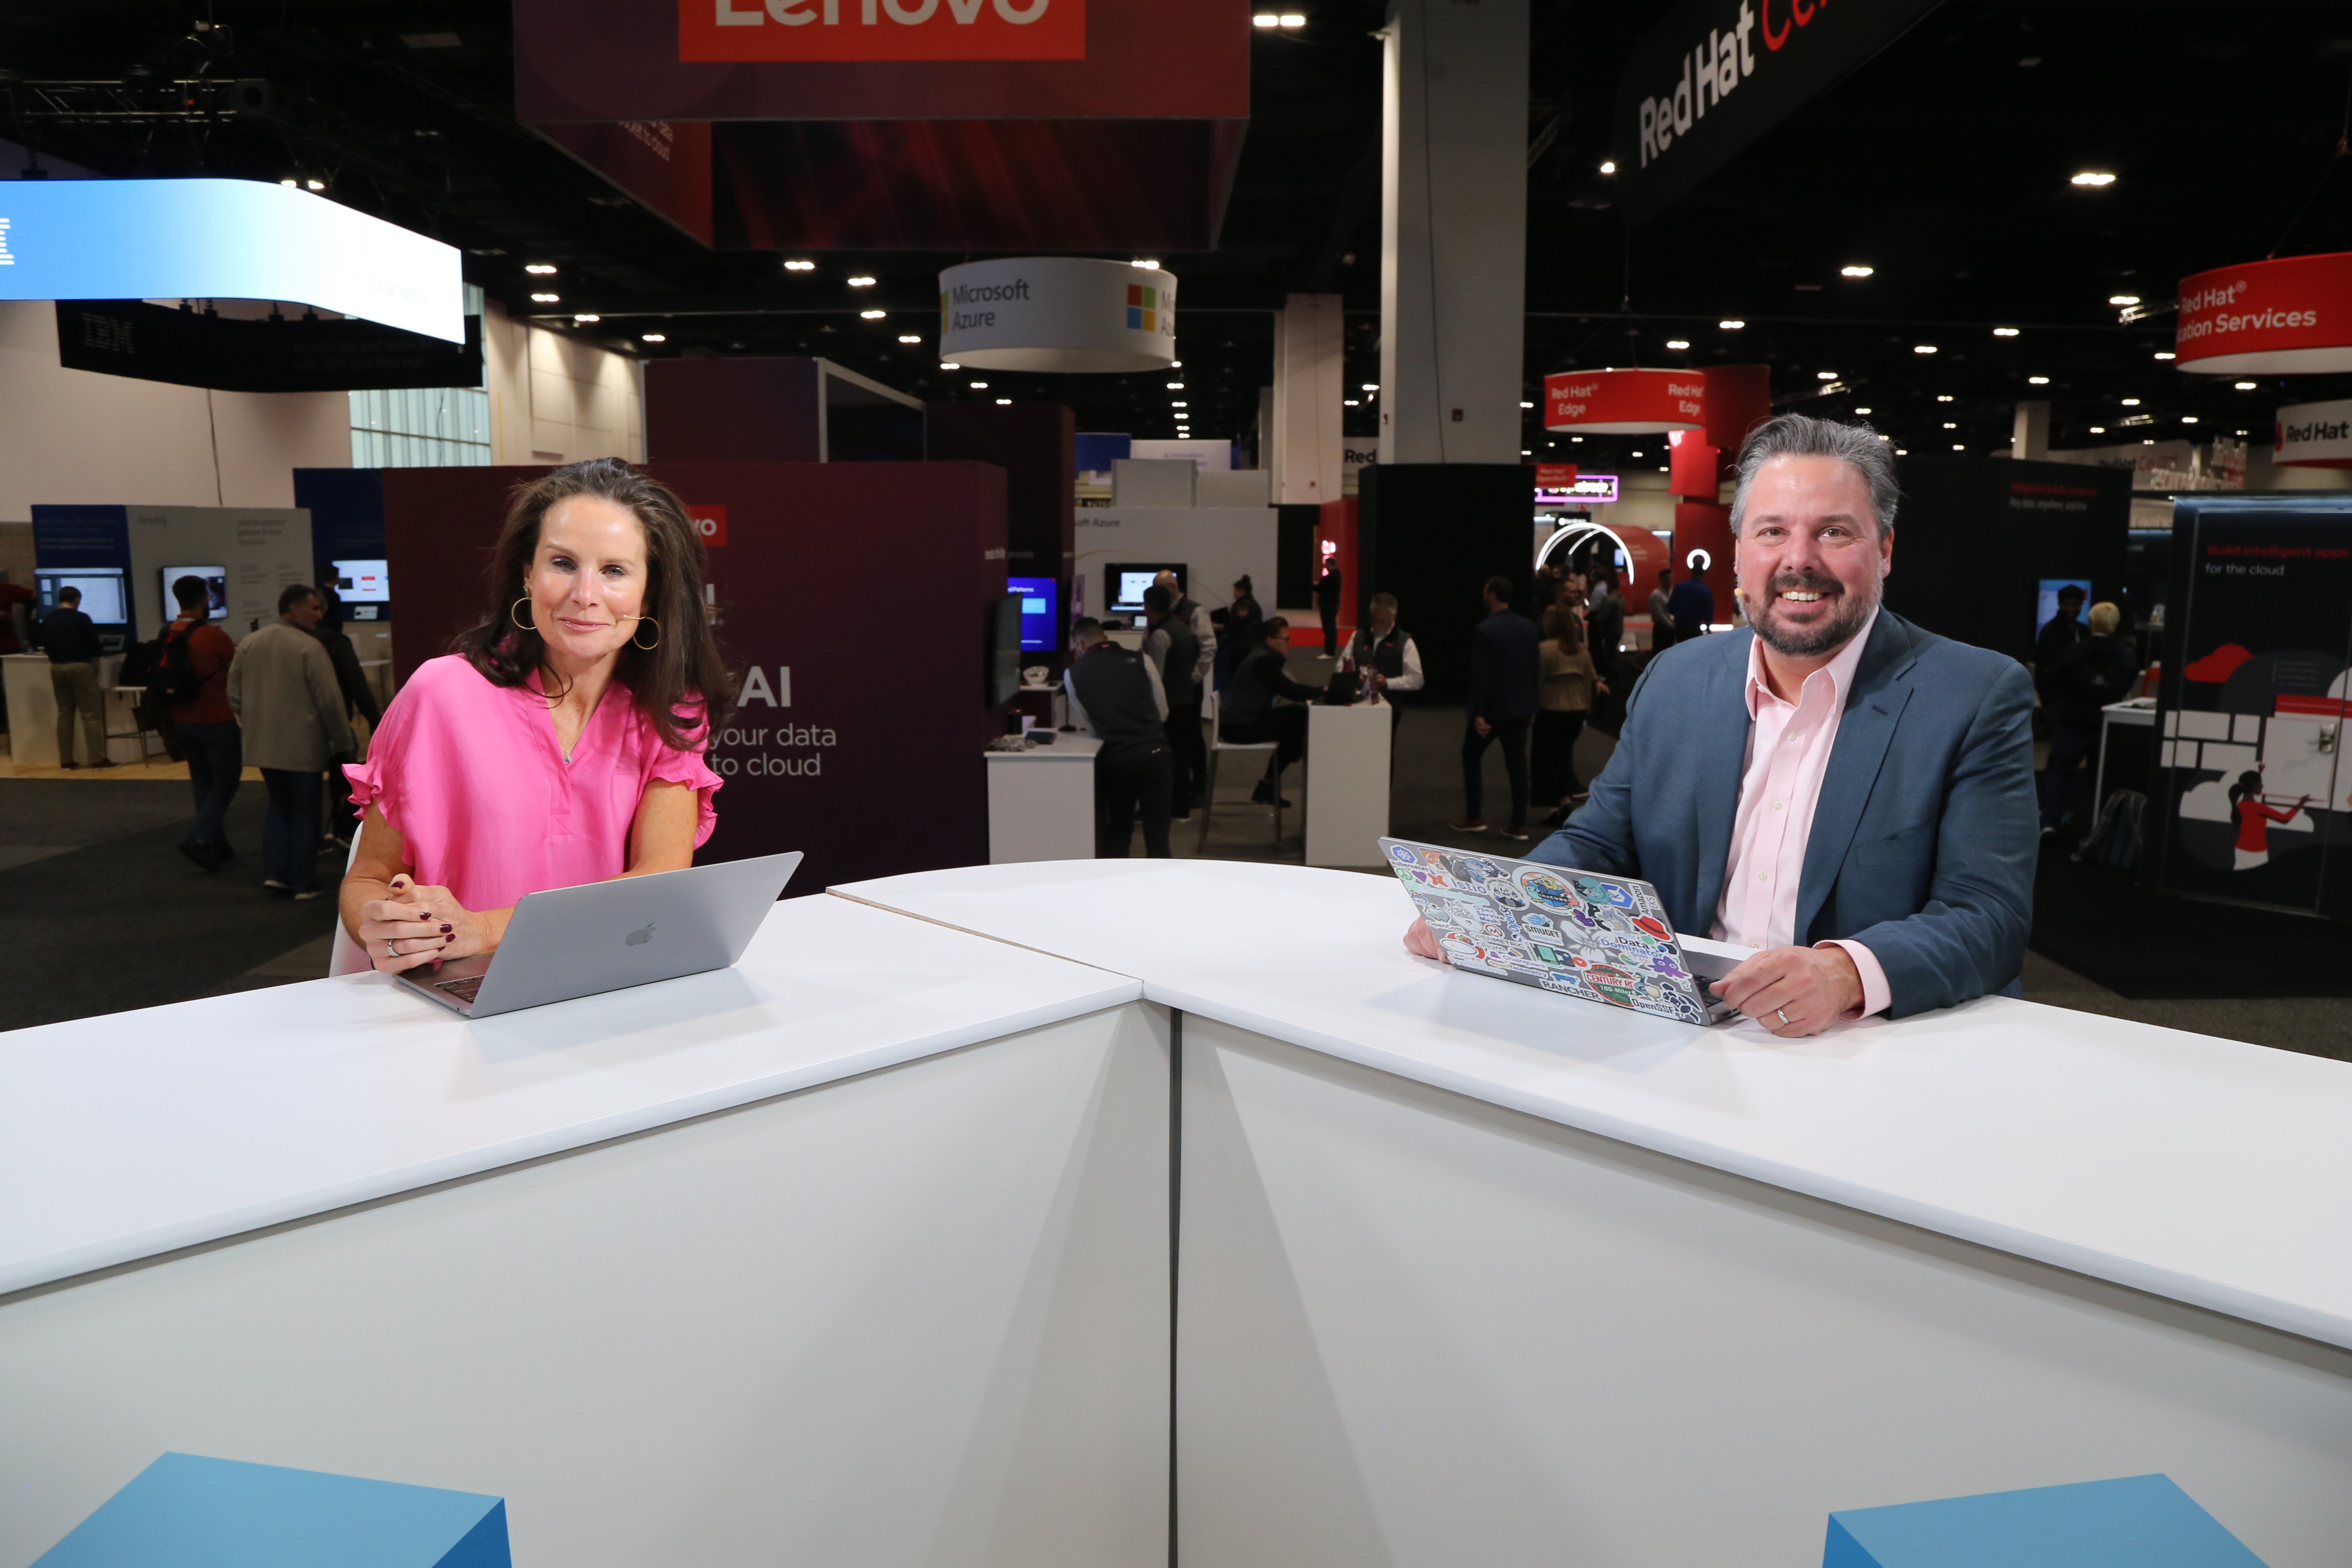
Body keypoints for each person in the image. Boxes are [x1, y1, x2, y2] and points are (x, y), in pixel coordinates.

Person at [1404, 413, 2038, 1035]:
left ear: (1886, 551)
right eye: (1772, 532)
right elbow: (1600, 841)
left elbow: (1988, 915)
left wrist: (1845, 973)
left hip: (1867, 1046)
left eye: (1835, 533)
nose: (1799, 560)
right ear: (1738, 554)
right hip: (1682, 1034)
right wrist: (1496, 906)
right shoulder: (1675, 680)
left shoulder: (1973, 695)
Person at [341, 457, 729, 976]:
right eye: (563, 563)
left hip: (606, 985)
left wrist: (483, 927)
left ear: (650, 592)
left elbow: (656, 881)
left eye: (614, 570)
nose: (584, 595)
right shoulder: (438, 693)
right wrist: (384, 922)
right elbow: (367, 880)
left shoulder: (672, 706)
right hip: (457, 993)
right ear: (528, 574)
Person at [229, 585, 355, 899]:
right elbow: (330, 701)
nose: (319, 614)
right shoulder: (309, 648)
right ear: (294, 609)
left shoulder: (249, 643)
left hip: (264, 746)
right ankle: (302, 881)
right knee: (304, 812)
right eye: (314, 608)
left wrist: (253, 726)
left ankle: (276, 873)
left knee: (278, 807)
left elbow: (234, 693)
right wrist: (344, 742)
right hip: (303, 746)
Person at [1066, 617, 1174, 857]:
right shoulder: (1142, 660)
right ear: (1105, 638)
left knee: (1119, 830)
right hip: (1155, 755)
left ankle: (1117, 888)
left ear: (1080, 646)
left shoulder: (1072, 674)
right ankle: (1165, 888)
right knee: (1157, 834)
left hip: (1117, 761)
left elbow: (1090, 725)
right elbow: (1163, 711)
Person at [2037, 600, 2140, 835]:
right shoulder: (2125, 655)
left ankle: (2049, 821)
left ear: (2092, 622)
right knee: (2102, 777)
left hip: (2074, 721)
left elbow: (2058, 679)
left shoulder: (2076, 650)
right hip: (2107, 724)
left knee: (2059, 770)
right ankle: (2102, 827)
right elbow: (2130, 679)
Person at [163, 575, 241, 871]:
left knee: (202, 782)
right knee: (226, 782)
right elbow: (235, 670)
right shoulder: (213, 635)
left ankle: (215, 843)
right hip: (217, 719)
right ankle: (200, 837)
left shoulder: (167, 632)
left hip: (182, 719)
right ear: (204, 599)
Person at [1456, 574, 1539, 840]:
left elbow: (1483, 674)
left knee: (1471, 755)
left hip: (1492, 710)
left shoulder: (1484, 630)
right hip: (1520, 708)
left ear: (1491, 595)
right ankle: (1519, 823)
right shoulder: (1528, 628)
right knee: (1517, 764)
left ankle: (1475, 815)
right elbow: (1534, 669)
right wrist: (1533, 706)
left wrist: (1477, 713)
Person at [1222, 615, 1322, 806]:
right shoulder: (1264, 661)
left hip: (1238, 721)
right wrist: (1322, 691)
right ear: (1271, 640)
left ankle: (1269, 783)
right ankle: (1281, 767)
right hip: (1238, 726)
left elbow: (1289, 689)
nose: (1290, 644)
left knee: (1295, 718)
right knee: (1297, 717)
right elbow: (1291, 690)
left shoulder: (1261, 656)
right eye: (1286, 639)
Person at [311, 587, 383, 851]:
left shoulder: (293, 642)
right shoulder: (333, 643)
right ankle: (338, 830)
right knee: (341, 780)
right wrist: (375, 719)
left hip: (297, 727)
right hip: (332, 722)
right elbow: (356, 685)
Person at [1533, 603, 1605, 827]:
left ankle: (1557, 805)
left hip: (1551, 709)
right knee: (1563, 756)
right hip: (1576, 711)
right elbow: (1591, 680)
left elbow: (1535, 681)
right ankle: (1565, 800)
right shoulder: (1581, 650)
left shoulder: (1544, 649)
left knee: (1548, 758)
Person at [1154, 569, 1216, 810]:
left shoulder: (1195, 611)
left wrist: (1194, 678)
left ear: (1171, 588)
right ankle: (1176, 787)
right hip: (1168, 688)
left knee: (1192, 736)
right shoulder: (1161, 612)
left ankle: (1199, 787)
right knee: (1174, 737)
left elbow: (1209, 647)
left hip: (1188, 687)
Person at [1141, 585, 1203, 822]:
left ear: (1149, 607)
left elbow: (1155, 676)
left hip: (1169, 706)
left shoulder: (1160, 635)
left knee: (1168, 759)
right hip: (1185, 700)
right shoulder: (1182, 629)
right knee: (1181, 755)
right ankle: (1181, 807)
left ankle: (1172, 808)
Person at [40, 585, 111, 770]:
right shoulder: (82, 618)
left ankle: (66, 761)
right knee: (90, 715)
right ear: (77, 600)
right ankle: (97, 759)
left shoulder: (48, 619)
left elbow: (45, 645)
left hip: (57, 668)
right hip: (81, 667)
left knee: (65, 714)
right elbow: (96, 647)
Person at [1339, 591, 1424, 741]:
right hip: (1357, 705)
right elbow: (1341, 666)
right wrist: (1354, 677)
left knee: (1383, 754)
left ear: (1394, 617)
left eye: (1383, 621)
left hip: (1389, 708)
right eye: (1375, 620)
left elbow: (1417, 680)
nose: (1378, 625)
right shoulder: (1358, 636)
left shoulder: (1406, 643)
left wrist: (1387, 682)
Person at [2227, 771, 2306, 872]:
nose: (2263, 786)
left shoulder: (2240, 805)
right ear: (2254, 786)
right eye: (2260, 783)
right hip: (2256, 852)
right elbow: (2284, 819)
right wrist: (2301, 803)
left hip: (2241, 849)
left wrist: (2259, 772)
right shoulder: (2258, 808)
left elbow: (2250, 785)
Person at [2034, 585, 2089, 697]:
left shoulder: (2085, 630)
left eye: (2075, 605)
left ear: (2081, 606)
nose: (2071, 609)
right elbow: (2043, 671)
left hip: (2081, 697)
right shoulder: (2049, 631)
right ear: (2060, 605)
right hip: (2055, 698)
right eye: (2067, 605)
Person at [1216, 574, 1265, 695]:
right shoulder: (1254, 604)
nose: (1234, 594)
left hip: (1241, 647)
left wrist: (1218, 626)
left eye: (1235, 591)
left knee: (1239, 676)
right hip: (1252, 645)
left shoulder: (1243, 606)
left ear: (1241, 591)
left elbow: (1235, 626)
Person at [1585, 568, 1625, 685]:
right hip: (1616, 628)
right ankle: (1610, 674)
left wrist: (1601, 628)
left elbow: (1603, 614)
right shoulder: (1620, 598)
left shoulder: (1605, 595)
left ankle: (1609, 675)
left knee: (1605, 652)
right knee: (1609, 652)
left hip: (1605, 627)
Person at [1666, 565, 1716, 643]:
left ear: (1691, 573)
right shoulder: (1706, 591)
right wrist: (1708, 627)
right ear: (1703, 574)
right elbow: (1708, 611)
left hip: (1680, 627)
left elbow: (1671, 607)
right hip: (1695, 627)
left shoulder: (1679, 587)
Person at [1314, 556, 1344, 658]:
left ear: (1329, 564)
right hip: (1333, 605)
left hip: (1328, 606)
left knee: (1329, 628)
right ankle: (1330, 651)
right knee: (1331, 628)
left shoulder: (1330, 577)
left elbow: (1320, 588)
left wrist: (1314, 585)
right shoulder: (1337, 576)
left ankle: (1329, 652)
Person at [1647, 567, 1676, 652]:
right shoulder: (1656, 595)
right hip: (1661, 629)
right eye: (1667, 579)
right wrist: (1672, 626)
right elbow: (1660, 615)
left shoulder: (1671, 593)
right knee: (1659, 651)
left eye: (1671, 578)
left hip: (1670, 628)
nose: (1670, 581)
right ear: (1661, 580)